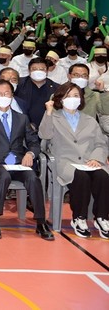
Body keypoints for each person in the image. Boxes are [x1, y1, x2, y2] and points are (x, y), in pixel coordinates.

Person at [0, 79, 54, 241]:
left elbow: (33, 142)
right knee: (3, 176)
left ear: (12, 96)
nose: (3, 96)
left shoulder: (22, 118)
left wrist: (30, 154)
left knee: (33, 177)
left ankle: (40, 222)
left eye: (6, 93)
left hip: (18, 163)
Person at [38, 83, 109, 239]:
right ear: (60, 99)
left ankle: (102, 218)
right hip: (66, 162)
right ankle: (79, 218)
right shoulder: (53, 117)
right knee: (81, 177)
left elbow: (100, 144)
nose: (72, 99)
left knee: (103, 176)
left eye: (76, 95)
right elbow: (44, 135)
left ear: (81, 99)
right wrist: (48, 112)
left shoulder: (90, 120)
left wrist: (96, 158)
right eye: (68, 96)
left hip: (90, 161)